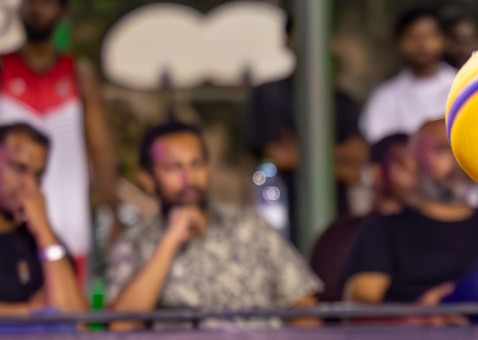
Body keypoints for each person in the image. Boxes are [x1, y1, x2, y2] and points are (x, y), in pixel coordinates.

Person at [0, 0, 117, 271]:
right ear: (19, 9)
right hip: (8, 215)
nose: (36, 9)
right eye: (30, 0)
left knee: (69, 306)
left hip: (69, 216)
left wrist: (112, 209)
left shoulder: (79, 74)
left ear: (62, 12)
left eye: (46, 1)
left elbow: (100, 147)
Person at [107, 121, 323, 327]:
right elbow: (121, 325)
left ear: (208, 168)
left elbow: (304, 309)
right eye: (174, 168)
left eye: (196, 164)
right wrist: (170, 241)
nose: (188, 177)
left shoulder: (252, 227)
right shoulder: (135, 241)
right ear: (147, 178)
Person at [340, 127, 478, 309]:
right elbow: (361, 307)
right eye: (442, 148)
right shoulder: (384, 229)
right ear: (413, 162)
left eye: (463, 145)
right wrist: (420, 314)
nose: (458, 156)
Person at [245, 9, 368, 241]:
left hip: (336, 219)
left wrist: (302, 153)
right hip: (284, 214)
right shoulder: (269, 94)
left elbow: (356, 164)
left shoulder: (341, 100)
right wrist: (336, 161)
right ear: (287, 41)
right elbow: (277, 156)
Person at [0, 124, 86, 317]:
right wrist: (21, 313)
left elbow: (75, 321)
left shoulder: (46, 246)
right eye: (19, 169)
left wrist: (44, 231)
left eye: (38, 175)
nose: (30, 185)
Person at [308, 133, 411, 304]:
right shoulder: (338, 236)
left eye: (419, 163)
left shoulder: (432, 235)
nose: (416, 171)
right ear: (376, 172)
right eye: (403, 164)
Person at [358, 8, 457, 142]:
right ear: (399, 42)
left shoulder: (462, 87)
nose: (422, 44)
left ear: (444, 40)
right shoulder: (385, 96)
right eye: (413, 37)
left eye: (429, 36)